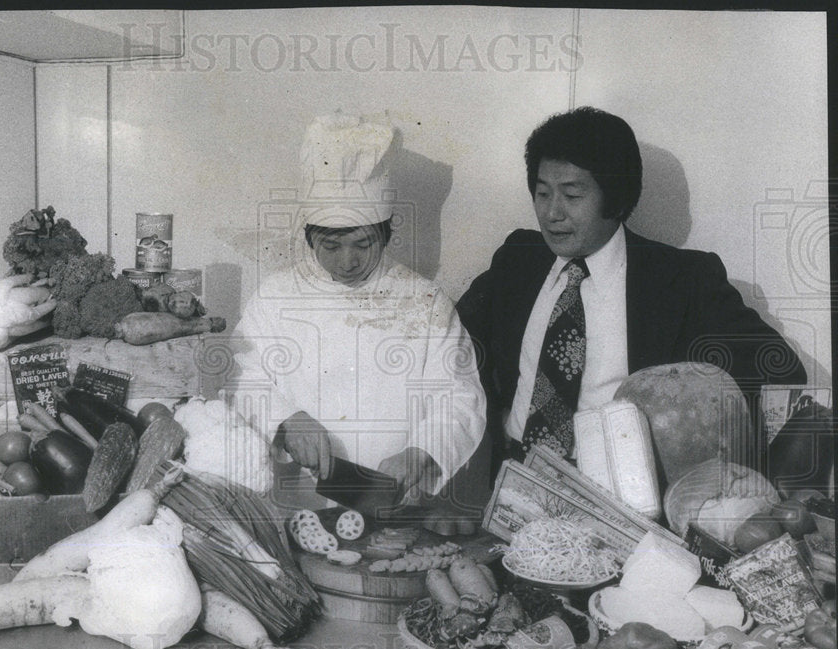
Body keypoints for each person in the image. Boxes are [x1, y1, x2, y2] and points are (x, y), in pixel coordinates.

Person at [457, 106, 806, 473]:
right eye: (543, 194)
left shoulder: (682, 280)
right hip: (514, 471)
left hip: (622, 490)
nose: (552, 213)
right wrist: (490, 417)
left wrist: (697, 448)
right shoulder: (519, 258)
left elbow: (780, 369)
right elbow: (452, 341)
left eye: (572, 196)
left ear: (618, 199)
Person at [228, 113, 486, 506]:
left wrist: (421, 453)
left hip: (395, 504)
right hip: (295, 501)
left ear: (386, 233)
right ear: (310, 237)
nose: (347, 261)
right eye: (331, 246)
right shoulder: (275, 296)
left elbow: (458, 395)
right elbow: (241, 375)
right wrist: (285, 419)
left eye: (363, 245)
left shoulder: (426, 302)